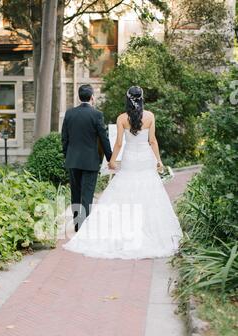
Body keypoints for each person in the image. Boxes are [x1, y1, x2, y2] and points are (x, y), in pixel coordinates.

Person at [63, 85, 183, 259]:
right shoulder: (150, 116)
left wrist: (112, 161)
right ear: (142, 98)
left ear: (127, 99)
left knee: (116, 192)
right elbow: (153, 141)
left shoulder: (121, 118)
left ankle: (86, 227)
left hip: (127, 159)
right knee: (148, 193)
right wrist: (159, 161)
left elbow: (118, 143)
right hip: (144, 160)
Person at [61, 84, 112, 232]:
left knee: (75, 194)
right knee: (87, 195)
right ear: (92, 97)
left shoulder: (69, 113)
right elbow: (104, 138)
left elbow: (64, 138)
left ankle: (78, 225)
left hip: (73, 160)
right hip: (90, 161)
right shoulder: (97, 115)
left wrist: (67, 155)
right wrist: (110, 158)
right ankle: (83, 228)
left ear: (78, 97)